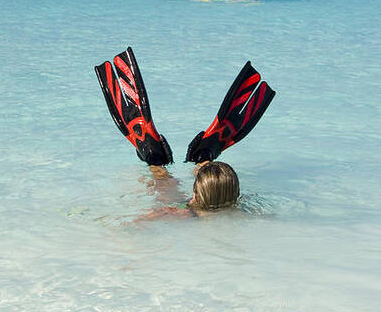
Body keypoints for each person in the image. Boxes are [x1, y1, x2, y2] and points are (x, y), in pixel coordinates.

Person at [94, 47, 275, 218]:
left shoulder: (181, 213)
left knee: (163, 179)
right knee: (177, 181)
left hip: (186, 208)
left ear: (194, 195)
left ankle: (155, 155)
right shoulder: (240, 212)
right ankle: (204, 154)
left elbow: (137, 221)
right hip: (210, 202)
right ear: (236, 195)